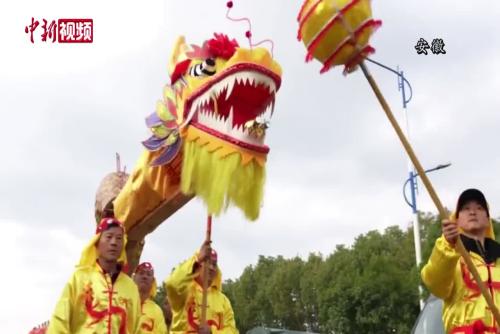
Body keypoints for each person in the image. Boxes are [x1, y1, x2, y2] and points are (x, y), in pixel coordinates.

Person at [422, 188, 500, 333]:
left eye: (479, 208)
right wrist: (447, 243)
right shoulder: (450, 256)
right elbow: (435, 284)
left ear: (488, 219)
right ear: (456, 219)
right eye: (465, 208)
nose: (472, 212)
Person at [47, 217, 141, 334]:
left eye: (119, 238)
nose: (114, 242)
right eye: (109, 237)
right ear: (96, 242)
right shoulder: (80, 278)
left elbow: (136, 327)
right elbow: (60, 321)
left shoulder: (130, 287)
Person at [165, 241, 238, 334]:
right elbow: (172, 284)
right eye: (207, 262)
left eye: (214, 264)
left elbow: (232, 331)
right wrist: (197, 259)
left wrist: (212, 331)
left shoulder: (224, 301)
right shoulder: (183, 292)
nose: (211, 267)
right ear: (198, 265)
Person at [133, 262, 168, 334]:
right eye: (141, 273)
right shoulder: (124, 302)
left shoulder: (157, 310)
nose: (144, 277)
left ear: (153, 281)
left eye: (148, 274)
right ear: (134, 277)